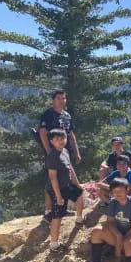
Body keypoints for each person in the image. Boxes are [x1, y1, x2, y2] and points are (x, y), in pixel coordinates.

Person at [39, 90, 81, 222]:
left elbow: (71, 134)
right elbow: (43, 133)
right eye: (58, 98)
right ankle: (48, 210)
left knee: (65, 178)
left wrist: (76, 152)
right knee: (51, 180)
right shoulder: (48, 114)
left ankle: (62, 207)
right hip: (53, 152)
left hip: (65, 152)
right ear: (53, 100)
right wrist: (49, 151)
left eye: (63, 98)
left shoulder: (67, 115)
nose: (62, 100)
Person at [45, 129, 85, 253]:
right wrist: (58, 196)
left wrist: (77, 184)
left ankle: (79, 219)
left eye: (62, 138)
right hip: (56, 189)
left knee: (79, 195)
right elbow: (52, 177)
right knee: (58, 216)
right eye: (57, 139)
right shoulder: (52, 156)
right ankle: (54, 245)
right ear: (51, 141)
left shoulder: (65, 151)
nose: (60, 141)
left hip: (67, 185)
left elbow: (70, 168)